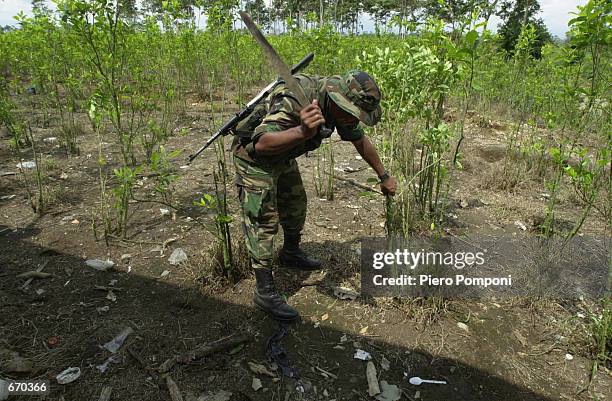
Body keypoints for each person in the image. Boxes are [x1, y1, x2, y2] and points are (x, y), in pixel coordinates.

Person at [232, 70, 397, 322]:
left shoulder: (339, 108)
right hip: (255, 159)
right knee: (263, 220)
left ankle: (290, 252)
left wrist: (384, 176)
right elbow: (262, 143)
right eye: (352, 113)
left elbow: (360, 141)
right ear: (337, 100)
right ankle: (264, 291)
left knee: (296, 204)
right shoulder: (296, 99)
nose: (353, 120)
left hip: (283, 155)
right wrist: (302, 131)